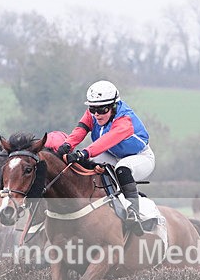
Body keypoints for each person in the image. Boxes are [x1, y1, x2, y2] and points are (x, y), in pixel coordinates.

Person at [56, 80, 152, 236]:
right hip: (113, 154)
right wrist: (66, 146)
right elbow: (81, 129)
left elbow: (104, 142)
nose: (96, 114)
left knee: (122, 170)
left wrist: (83, 153)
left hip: (140, 157)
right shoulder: (93, 113)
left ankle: (134, 212)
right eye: (93, 109)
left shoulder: (124, 121)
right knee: (89, 165)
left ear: (114, 106)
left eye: (102, 109)